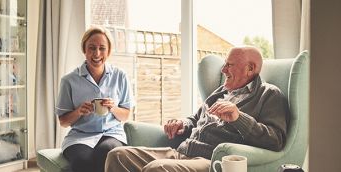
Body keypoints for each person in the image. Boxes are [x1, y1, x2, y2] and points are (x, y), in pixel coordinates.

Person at [105, 46, 290, 172]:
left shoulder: (269, 95)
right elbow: (195, 119)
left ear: (250, 68)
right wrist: (183, 124)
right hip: (182, 151)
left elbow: (276, 140)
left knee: (157, 169)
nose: (223, 70)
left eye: (229, 65)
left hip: (210, 160)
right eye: (224, 64)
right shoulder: (222, 90)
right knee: (117, 155)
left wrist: (238, 117)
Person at [55, 26, 134, 172]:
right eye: (91, 48)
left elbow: (126, 114)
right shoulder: (69, 80)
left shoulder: (120, 76)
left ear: (108, 51)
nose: (97, 53)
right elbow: (63, 121)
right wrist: (79, 111)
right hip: (79, 137)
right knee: (82, 161)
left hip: (112, 134)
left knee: (108, 152)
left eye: (102, 48)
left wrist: (113, 108)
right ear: (84, 50)